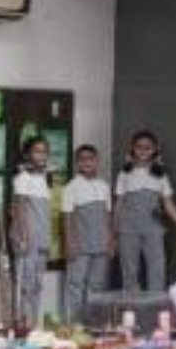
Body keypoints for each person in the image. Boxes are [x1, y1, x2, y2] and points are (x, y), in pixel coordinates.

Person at [113, 130, 176, 293]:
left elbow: (169, 205)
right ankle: (132, 307)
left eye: (147, 147)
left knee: (157, 270)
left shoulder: (160, 174)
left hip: (153, 230)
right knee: (129, 273)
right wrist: (113, 234)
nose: (143, 151)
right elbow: (119, 204)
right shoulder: (124, 173)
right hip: (127, 229)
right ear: (133, 148)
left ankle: (155, 307)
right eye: (139, 147)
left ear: (154, 149)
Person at [62, 144, 113, 323]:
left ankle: (93, 323)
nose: (87, 163)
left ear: (97, 161)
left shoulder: (104, 186)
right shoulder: (71, 187)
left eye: (90, 159)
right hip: (80, 246)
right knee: (75, 284)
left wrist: (111, 241)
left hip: (101, 245)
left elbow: (107, 216)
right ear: (77, 163)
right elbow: (67, 218)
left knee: (97, 286)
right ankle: (74, 323)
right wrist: (69, 243)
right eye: (82, 160)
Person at [10, 135, 52, 331]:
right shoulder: (22, 178)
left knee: (37, 284)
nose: (42, 155)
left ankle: (33, 325)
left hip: (41, 238)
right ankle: (22, 325)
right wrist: (23, 237)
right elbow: (19, 209)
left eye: (44, 152)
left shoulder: (43, 179)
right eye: (37, 151)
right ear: (27, 155)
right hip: (27, 239)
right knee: (24, 284)